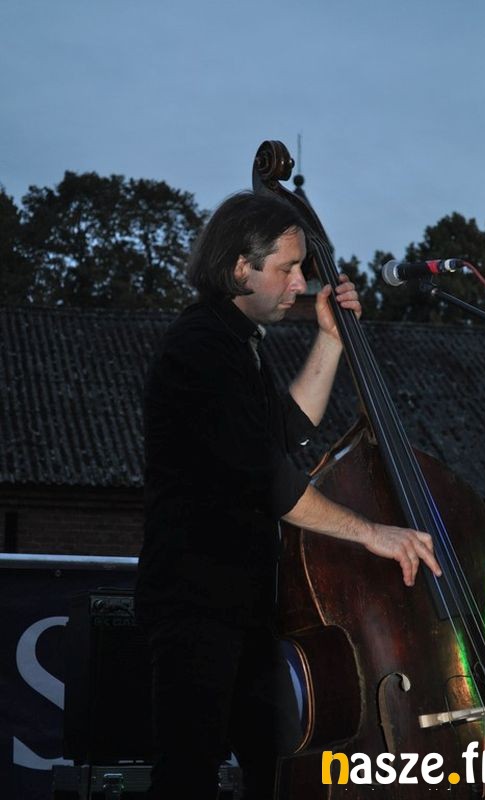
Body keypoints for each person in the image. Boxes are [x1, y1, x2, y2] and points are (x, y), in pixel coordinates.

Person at [134, 190, 441, 799]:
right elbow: (268, 479)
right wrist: (372, 532)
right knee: (187, 775)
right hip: (195, 604)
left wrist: (331, 338)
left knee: (269, 768)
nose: (301, 284)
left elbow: (287, 432)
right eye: (288, 268)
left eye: (302, 267)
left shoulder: (237, 345)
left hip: (242, 604)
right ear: (239, 268)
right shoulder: (201, 348)